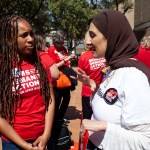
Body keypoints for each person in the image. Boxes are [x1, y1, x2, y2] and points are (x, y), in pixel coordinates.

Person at [73, 10, 150, 150]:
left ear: (111, 37)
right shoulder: (113, 68)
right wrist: (95, 88)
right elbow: (112, 103)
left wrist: (104, 126)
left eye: (93, 36)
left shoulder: (132, 76)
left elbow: (146, 141)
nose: (88, 42)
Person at [0, 15, 55, 150]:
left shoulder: (39, 61)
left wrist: (46, 135)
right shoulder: (2, 67)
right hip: (14, 143)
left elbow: (50, 99)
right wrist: (25, 146)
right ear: (9, 39)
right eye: (24, 35)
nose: (31, 39)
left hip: (42, 139)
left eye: (31, 34)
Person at [46, 33, 75, 121]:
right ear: (55, 43)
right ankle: (55, 118)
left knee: (67, 98)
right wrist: (65, 60)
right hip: (57, 78)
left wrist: (70, 59)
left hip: (65, 77)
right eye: (59, 43)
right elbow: (53, 66)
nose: (61, 45)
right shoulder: (51, 50)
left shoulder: (63, 48)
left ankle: (60, 117)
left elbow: (66, 62)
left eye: (62, 43)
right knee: (57, 99)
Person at [78, 31, 106, 119]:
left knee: (87, 117)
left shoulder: (83, 57)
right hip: (99, 90)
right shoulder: (103, 54)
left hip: (90, 91)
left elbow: (80, 76)